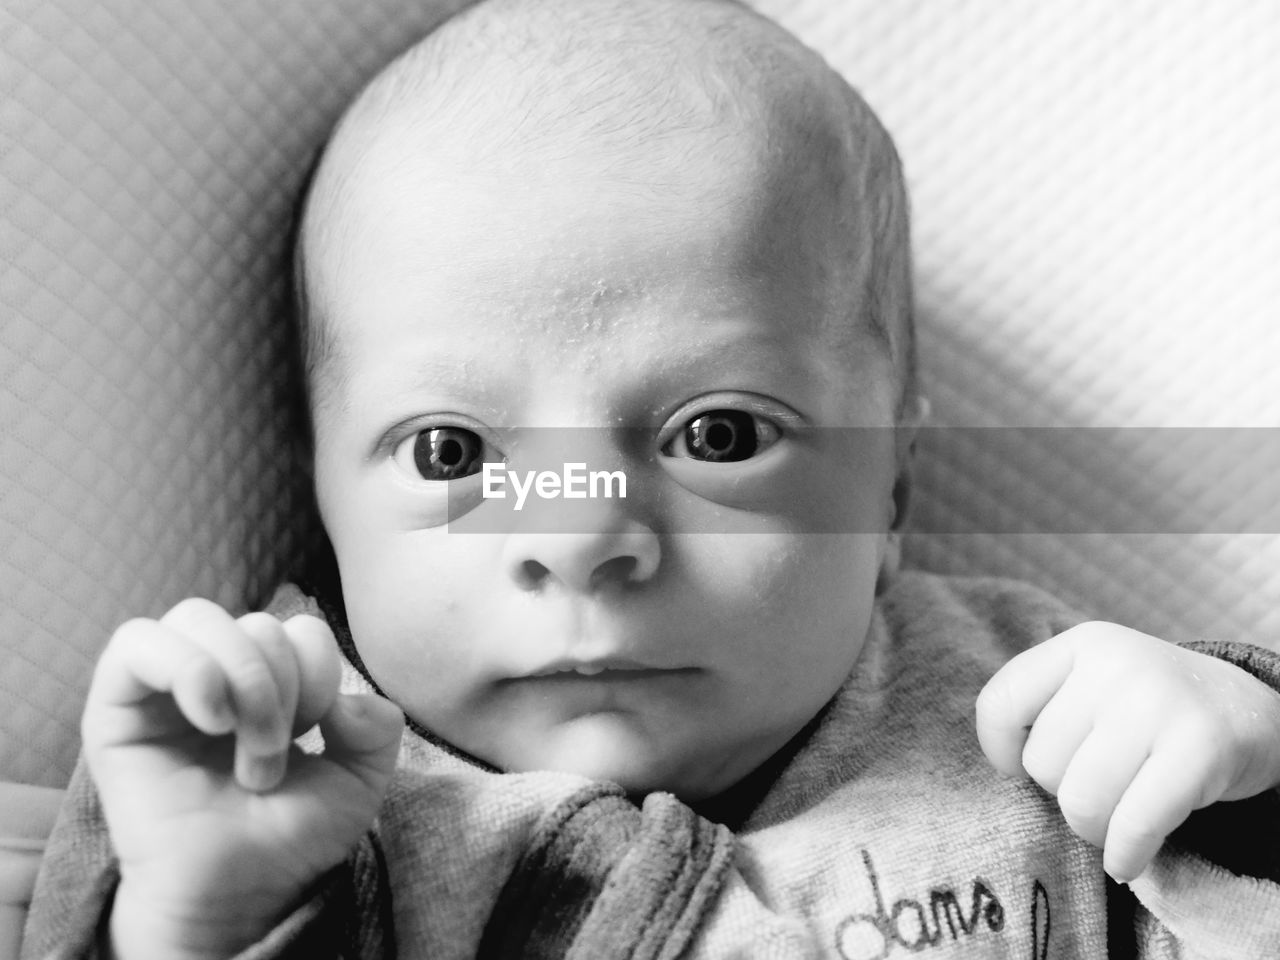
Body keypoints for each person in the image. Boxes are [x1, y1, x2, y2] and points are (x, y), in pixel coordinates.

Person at [22, 0, 1280, 957]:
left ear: (890, 483)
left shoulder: (1039, 711)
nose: (575, 536)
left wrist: (1252, 758)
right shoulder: (290, 772)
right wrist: (202, 912)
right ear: (325, 501)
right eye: (453, 455)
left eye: (718, 435)